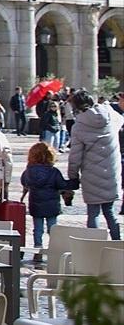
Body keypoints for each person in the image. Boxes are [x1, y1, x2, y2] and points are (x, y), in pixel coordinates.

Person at [65, 89, 121, 240]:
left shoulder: (79, 126)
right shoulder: (110, 115)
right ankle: (117, 243)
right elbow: (121, 120)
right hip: (112, 171)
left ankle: (93, 245)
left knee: (93, 213)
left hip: (92, 174)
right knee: (110, 212)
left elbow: (75, 156)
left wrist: (73, 177)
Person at [19, 141, 74, 261]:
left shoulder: (28, 171)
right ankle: (54, 249)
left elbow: (24, 182)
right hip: (52, 205)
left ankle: (38, 249)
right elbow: (61, 184)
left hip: (36, 204)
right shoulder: (54, 171)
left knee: (37, 229)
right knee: (53, 228)